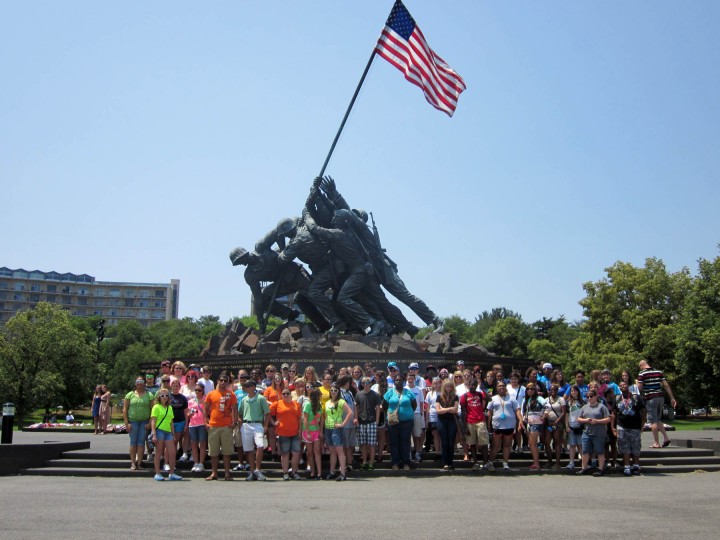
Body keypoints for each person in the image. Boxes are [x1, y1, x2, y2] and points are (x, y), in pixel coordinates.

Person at [203, 372, 238, 481]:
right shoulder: (211, 394)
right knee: (213, 452)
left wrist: (235, 422)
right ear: (217, 381)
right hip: (213, 426)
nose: (223, 383)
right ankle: (214, 473)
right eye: (221, 380)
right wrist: (206, 422)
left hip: (227, 426)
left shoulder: (231, 394)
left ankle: (227, 473)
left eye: (225, 381)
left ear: (227, 383)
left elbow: (235, 409)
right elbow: (206, 409)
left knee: (227, 451)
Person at [637, 360, 677, 448]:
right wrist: (672, 397)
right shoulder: (658, 372)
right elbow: (666, 385)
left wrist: (636, 383)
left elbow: (639, 388)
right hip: (660, 397)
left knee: (653, 421)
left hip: (651, 398)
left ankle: (656, 442)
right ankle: (666, 438)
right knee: (658, 419)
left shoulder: (642, 373)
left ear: (642, 365)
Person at [486, 381, 524, 471]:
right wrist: (488, 424)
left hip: (509, 425)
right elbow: (489, 412)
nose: (501, 387)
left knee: (507, 445)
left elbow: (517, 410)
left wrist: (521, 421)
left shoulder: (512, 398)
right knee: (495, 445)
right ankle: (490, 462)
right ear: (497, 388)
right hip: (497, 425)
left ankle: (505, 463)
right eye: (499, 386)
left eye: (503, 386)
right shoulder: (493, 398)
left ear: (506, 387)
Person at [383, 373, 417, 472]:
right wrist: (392, 413)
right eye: (396, 380)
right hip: (393, 422)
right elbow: (385, 406)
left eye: (400, 380)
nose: (398, 381)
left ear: (403, 381)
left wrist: (406, 413)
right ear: (394, 382)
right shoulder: (389, 392)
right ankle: (395, 463)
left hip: (407, 422)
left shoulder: (409, 393)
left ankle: (406, 462)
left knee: (405, 442)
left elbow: (414, 405)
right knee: (394, 442)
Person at [238, 379, 270, 481]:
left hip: (257, 424)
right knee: (248, 449)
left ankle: (257, 469)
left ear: (253, 387)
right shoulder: (244, 400)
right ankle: (252, 471)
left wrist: (265, 426)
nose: (246, 388)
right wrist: (241, 425)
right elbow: (239, 414)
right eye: (245, 386)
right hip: (246, 424)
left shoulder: (261, 398)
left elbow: (267, 413)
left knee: (260, 446)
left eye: (248, 386)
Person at [613, 381, 647, 476]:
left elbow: (644, 410)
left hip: (635, 426)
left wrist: (643, 423)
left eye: (624, 384)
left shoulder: (636, 397)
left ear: (628, 386)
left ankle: (636, 466)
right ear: (619, 388)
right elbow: (614, 413)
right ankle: (627, 467)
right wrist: (613, 427)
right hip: (622, 426)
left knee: (635, 446)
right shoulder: (617, 398)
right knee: (624, 447)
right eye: (621, 385)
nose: (623, 386)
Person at [576, 389, 611, 476]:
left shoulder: (601, 407)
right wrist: (586, 420)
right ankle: (583, 468)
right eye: (587, 397)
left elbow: (608, 419)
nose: (589, 398)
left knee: (600, 451)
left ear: (596, 397)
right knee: (585, 451)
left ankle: (600, 469)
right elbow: (579, 419)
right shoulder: (584, 407)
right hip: (587, 432)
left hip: (599, 433)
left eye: (591, 396)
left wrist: (597, 421)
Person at [270, 386, 303, 480]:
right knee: (285, 454)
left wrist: (300, 429)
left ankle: (294, 472)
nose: (285, 395)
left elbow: (299, 417)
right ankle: (285, 472)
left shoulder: (295, 404)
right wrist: (273, 423)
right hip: (283, 432)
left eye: (287, 393)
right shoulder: (277, 404)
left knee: (296, 453)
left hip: (295, 432)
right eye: (283, 394)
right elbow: (268, 413)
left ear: (290, 395)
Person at [323, 383, 354, 481]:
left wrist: (343, 424)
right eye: (331, 390)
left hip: (337, 428)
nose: (333, 392)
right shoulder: (328, 402)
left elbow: (350, 413)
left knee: (340, 451)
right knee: (332, 452)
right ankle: (332, 471)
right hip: (328, 428)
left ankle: (343, 473)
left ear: (338, 392)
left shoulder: (341, 401)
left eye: (335, 390)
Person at [150, 390, 182, 481]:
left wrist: (173, 433)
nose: (164, 397)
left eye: (166, 395)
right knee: (159, 453)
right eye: (162, 395)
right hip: (159, 431)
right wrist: (154, 434)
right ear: (159, 397)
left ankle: (171, 473)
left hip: (168, 432)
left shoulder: (170, 408)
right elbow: (153, 421)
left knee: (172, 452)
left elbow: (171, 422)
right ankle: (157, 473)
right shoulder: (156, 407)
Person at [123, 377, 153, 471]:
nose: (139, 383)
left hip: (144, 421)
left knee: (141, 443)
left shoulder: (149, 395)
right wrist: (126, 423)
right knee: (133, 442)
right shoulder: (130, 395)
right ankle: (132, 462)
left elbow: (153, 409)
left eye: (141, 382)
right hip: (133, 421)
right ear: (135, 384)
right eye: (138, 382)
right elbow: (125, 409)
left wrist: (150, 422)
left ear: (144, 383)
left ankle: (139, 462)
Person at [460, 378, 489, 470]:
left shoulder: (480, 394)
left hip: (480, 420)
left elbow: (489, 398)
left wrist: (482, 388)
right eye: (471, 385)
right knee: (472, 444)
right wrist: (465, 427)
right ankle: (475, 463)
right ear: (468, 385)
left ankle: (485, 463)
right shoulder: (464, 396)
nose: (473, 387)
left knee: (484, 443)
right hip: (470, 421)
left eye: (475, 385)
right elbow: (463, 412)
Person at [355, 376, 381, 470]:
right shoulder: (358, 394)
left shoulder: (375, 394)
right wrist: (356, 419)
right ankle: (364, 461)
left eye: (367, 382)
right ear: (361, 384)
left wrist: (377, 421)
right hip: (361, 422)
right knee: (363, 444)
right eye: (364, 383)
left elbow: (378, 408)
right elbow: (356, 408)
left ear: (370, 384)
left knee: (372, 444)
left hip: (371, 421)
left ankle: (371, 462)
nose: (365, 384)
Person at [522, 383, 546, 470]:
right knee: (532, 443)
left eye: (532, 389)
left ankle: (536, 463)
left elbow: (547, 406)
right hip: (529, 423)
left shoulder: (539, 398)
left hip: (537, 423)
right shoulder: (527, 399)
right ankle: (535, 462)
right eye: (528, 389)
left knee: (532, 443)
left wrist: (544, 415)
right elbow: (524, 411)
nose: (530, 391)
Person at [543, 383, 566, 469]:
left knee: (557, 441)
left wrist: (556, 421)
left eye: (555, 390)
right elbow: (544, 411)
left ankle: (557, 462)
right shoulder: (546, 400)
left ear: (557, 391)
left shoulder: (561, 399)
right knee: (547, 441)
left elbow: (563, 412)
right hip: (549, 424)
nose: (553, 391)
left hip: (557, 424)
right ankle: (549, 461)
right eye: (551, 390)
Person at [303, 388, 324, 480]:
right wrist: (307, 432)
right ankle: (312, 471)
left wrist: (321, 430)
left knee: (317, 452)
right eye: (320, 395)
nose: (321, 397)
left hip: (316, 430)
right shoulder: (307, 404)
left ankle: (319, 473)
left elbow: (321, 419)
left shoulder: (319, 405)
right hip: (308, 431)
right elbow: (305, 419)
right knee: (310, 452)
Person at [404, 370, 425, 463]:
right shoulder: (404, 389)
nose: (410, 380)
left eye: (412, 378)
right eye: (409, 378)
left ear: (414, 379)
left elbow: (421, 403)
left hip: (417, 414)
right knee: (407, 435)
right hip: (407, 414)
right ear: (406, 379)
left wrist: (421, 414)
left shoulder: (419, 389)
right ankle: (408, 453)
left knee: (417, 435)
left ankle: (417, 453)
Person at [187, 382, 207, 473]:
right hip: (193, 424)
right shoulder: (191, 401)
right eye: (196, 390)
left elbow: (209, 412)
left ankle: (201, 463)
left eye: (199, 390)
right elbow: (188, 413)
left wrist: (203, 405)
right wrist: (190, 413)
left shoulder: (205, 400)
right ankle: (196, 463)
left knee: (202, 443)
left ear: (203, 391)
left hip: (202, 423)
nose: (197, 392)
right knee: (194, 444)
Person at [169, 379, 190, 465]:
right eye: (173, 386)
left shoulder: (183, 398)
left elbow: (186, 411)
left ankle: (174, 459)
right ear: (171, 387)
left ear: (179, 387)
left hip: (181, 421)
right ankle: (172, 460)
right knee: (172, 441)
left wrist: (186, 423)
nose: (175, 387)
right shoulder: (168, 397)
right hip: (171, 422)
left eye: (177, 386)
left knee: (176, 440)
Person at [565, 385, 584, 469]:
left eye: (575, 391)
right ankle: (571, 462)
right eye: (572, 391)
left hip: (580, 426)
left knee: (580, 445)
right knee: (572, 445)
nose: (573, 392)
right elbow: (566, 415)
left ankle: (584, 463)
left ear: (578, 392)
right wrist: (567, 426)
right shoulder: (568, 402)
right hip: (571, 426)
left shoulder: (582, 402)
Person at [425, 377, 443, 459]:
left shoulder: (443, 393)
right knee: (435, 435)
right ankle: (437, 453)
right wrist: (427, 419)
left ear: (441, 383)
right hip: (433, 417)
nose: (436, 385)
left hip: (442, 416)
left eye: (438, 383)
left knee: (442, 435)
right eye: (434, 383)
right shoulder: (430, 394)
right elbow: (428, 407)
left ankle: (443, 452)